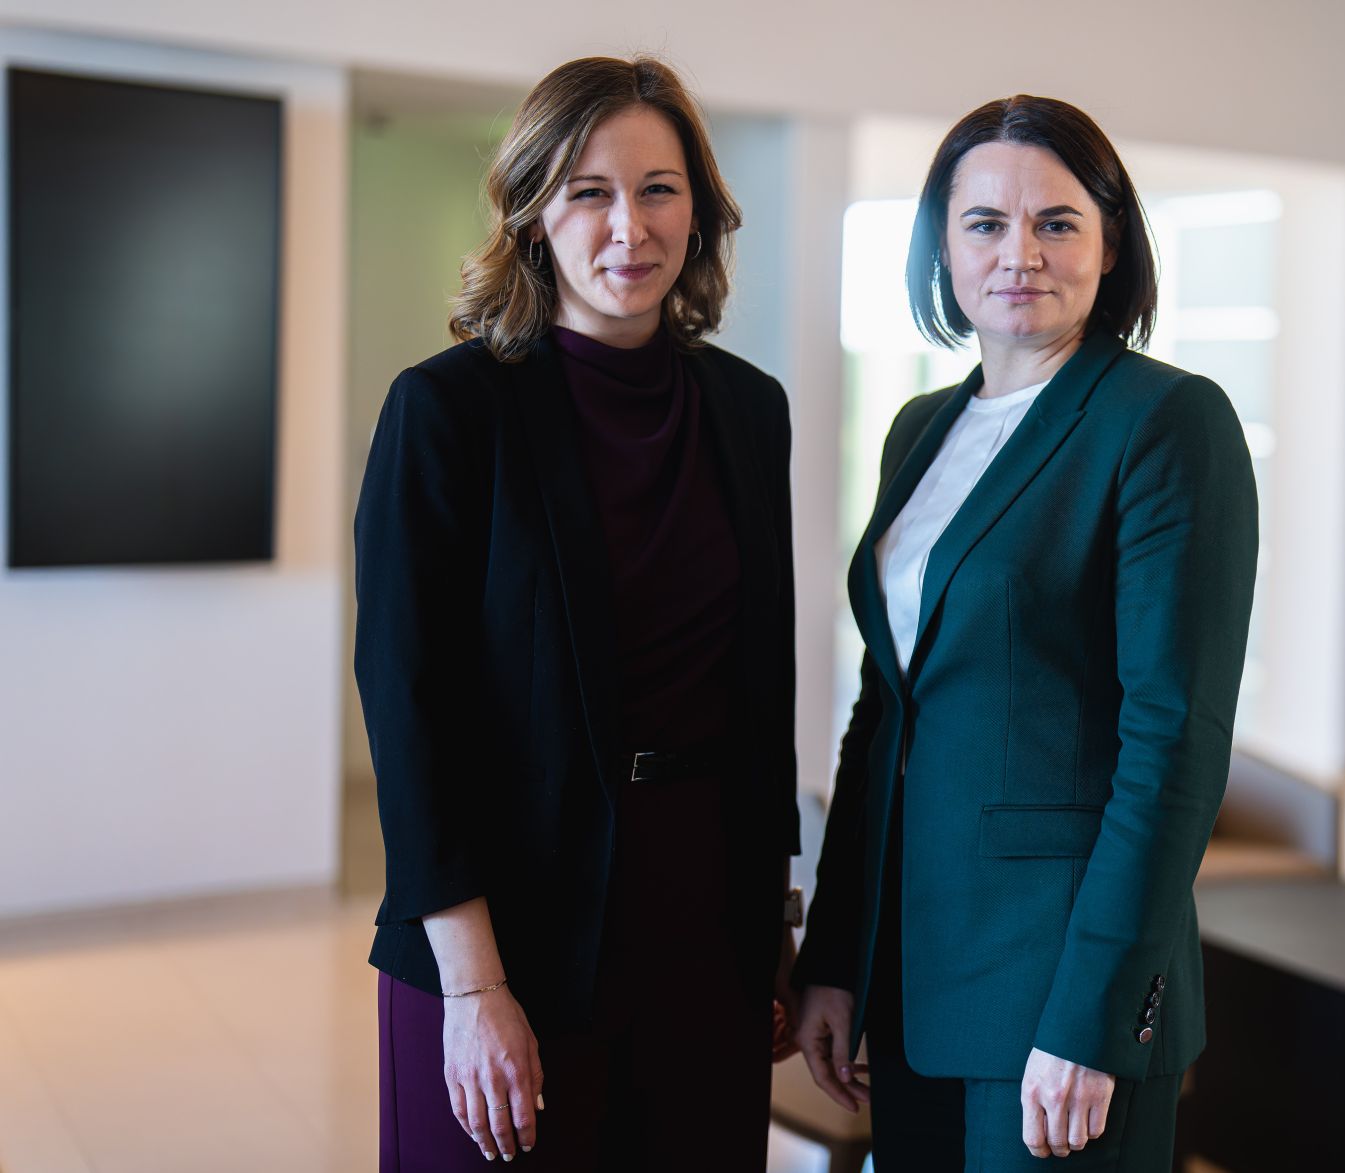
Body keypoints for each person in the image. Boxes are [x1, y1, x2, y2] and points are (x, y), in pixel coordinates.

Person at [792, 94, 1259, 1170]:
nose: (1019, 254)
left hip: (1055, 993)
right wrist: (835, 957)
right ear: (939, 246)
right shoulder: (921, 429)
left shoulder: (1163, 422)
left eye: (1055, 221)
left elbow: (1173, 743)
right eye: (983, 224)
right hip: (911, 979)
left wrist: (1093, 1015)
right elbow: (886, 712)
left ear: (1108, 243)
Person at [355, 55, 800, 1171]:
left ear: (698, 212)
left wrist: (772, 931)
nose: (627, 227)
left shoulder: (749, 412)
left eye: (658, 189)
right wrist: (475, 985)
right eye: (589, 190)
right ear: (532, 208)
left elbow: (759, 686)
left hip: (703, 931)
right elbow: (412, 713)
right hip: (505, 933)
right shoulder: (448, 412)